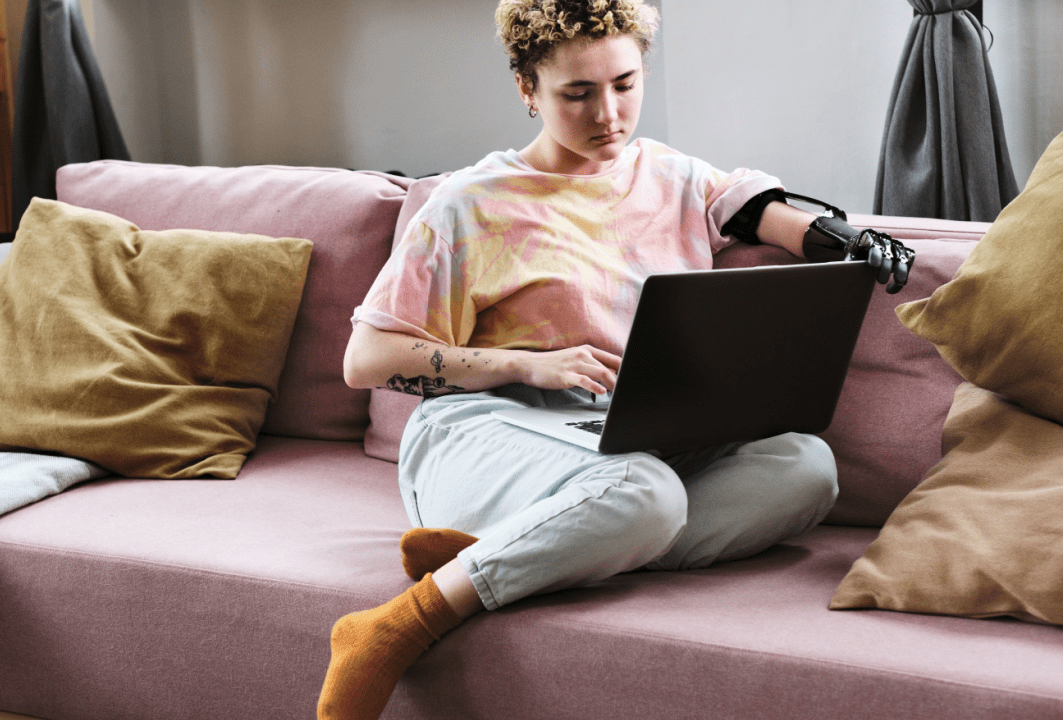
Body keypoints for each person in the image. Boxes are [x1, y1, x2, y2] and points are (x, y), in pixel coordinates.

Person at [318, 2, 912, 718]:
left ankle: (516, 552)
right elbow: (368, 358)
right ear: (526, 88)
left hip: (629, 437)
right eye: (578, 94)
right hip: (484, 436)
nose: (609, 114)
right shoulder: (469, 204)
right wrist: (523, 364)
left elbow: (751, 209)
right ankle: (394, 624)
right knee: (646, 492)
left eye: (625, 84)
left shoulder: (668, 176)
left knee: (806, 470)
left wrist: (844, 241)